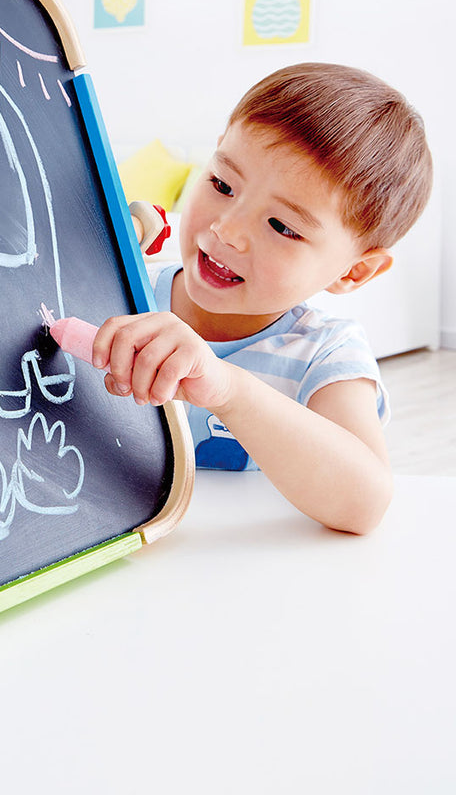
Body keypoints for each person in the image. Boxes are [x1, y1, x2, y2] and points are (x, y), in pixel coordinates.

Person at [94, 63, 432, 535]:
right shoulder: (115, 290)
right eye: (222, 185)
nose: (227, 230)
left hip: (239, 569)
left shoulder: (325, 353)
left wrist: (227, 389)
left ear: (353, 271)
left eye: (282, 226)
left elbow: (366, 504)